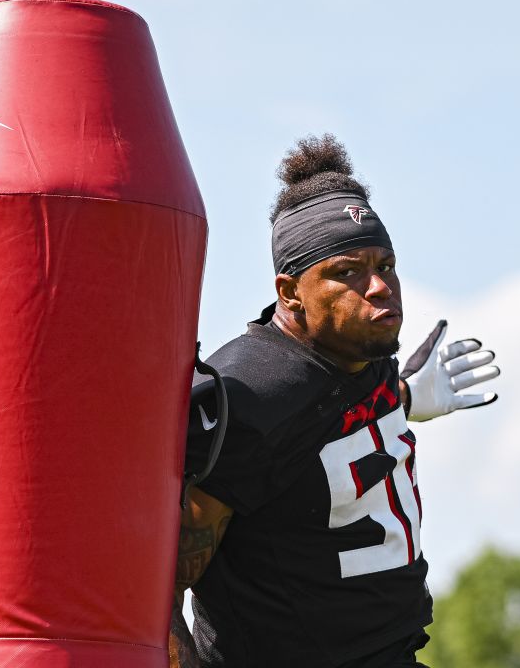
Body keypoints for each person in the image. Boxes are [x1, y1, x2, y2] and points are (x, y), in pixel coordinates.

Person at [167, 135, 501, 668]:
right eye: (347, 272)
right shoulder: (251, 396)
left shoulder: (362, 353)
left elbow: (326, 425)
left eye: (385, 265)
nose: (378, 288)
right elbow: (157, 582)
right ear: (290, 292)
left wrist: (407, 397)